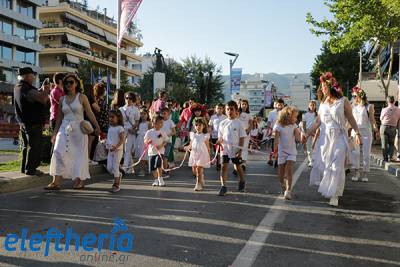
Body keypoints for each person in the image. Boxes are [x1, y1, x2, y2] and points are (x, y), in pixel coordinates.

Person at [305, 72, 362, 206]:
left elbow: (351, 119)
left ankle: (335, 194)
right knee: (327, 166)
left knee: (337, 167)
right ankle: (330, 188)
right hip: (325, 139)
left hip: (339, 137)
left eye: (324, 86)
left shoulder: (343, 101)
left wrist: (357, 133)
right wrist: (307, 133)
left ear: (330, 87)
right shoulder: (323, 103)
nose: (322, 89)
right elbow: (318, 121)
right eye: (321, 86)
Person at [46, 74, 100, 190]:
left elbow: (90, 113)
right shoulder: (62, 99)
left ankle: (79, 181)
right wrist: (55, 133)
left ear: (76, 83)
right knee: (58, 152)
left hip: (79, 129)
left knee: (79, 155)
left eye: (71, 82)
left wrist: (97, 126)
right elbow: (59, 117)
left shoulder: (82, 97)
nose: (69, 85)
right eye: (66, 83)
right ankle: (56, 182)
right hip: (64, 128)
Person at [14, 67, 50, 176]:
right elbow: (42, 99)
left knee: (27, 146)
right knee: (35, 146)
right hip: (33, 123)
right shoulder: (26, 88)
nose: (34, 77)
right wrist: (46, 90)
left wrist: (40, 90)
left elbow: (32, 96)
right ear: (27, 76)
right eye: (32, 75)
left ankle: (24, 168)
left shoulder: (18, 87)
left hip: (24, 122)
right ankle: (31, 169)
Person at [217, 101, 247, 196]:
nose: (229, 111)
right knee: (223, 167)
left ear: (236, 110)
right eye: (227, 109)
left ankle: (242, 181)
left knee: (238, 167)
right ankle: (223, 186)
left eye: (232, 109)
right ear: (225, 110)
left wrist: (240, 150)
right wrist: (219, 141)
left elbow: (242, 137)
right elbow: (220, 136)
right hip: (225, 149)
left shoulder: (239, 123)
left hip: (236, 149)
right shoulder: (222, 123)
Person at [350, 87, 379, 182]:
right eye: (353, 96)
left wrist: (376, 130)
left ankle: (365, 173)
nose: (353, 97)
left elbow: (372, 120)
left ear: (360, 95)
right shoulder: (352, 106)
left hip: (366, 132)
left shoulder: (369, 106)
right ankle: (356, 171)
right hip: (355, 131)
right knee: (356, 153)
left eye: (355, 95)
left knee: (366, 154)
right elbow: (350, 121)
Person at [273, 106, 302, 200]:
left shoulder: (294, 126)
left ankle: (288, 191)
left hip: (292, 152)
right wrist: (275, 151)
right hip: (282, 152)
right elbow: (276, 140)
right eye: (295, 116)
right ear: (288, 116)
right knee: (280, 174)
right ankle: (283, 185)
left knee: (289, 169)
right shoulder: (278, 126)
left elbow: (298, 138)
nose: (296, 119)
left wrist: (302, 136)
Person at [185, 117, 210, 191]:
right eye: (196, 125)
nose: (198, 127)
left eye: (200, 125)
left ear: (203, 126)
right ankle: (201, 177)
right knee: (194, 169)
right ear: (194, 126)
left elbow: (208, 146)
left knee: (199, 168)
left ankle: (198, 184)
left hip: (202, 154)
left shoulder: (205, 135)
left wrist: (209, 156)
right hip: (194, 154)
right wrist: (187, 147)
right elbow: (191, 144)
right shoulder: (193, 135)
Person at [144, 115, 168, 187]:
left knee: (158, 164)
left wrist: (161, 145)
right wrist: (148, 141)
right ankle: (156, 180)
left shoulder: (162, 132)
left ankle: (160, 179)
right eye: (157, 123)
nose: (160, 124)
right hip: (151, 152)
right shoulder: (149, 132)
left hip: (160, 152)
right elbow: (145, 140)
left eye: (161, 123)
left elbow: (166, 140)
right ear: (153, 123)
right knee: (152, 167)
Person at [120, 92, 140, 174]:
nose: (128, 100)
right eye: (127, 98)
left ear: (133, 100)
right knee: (124, 150)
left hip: (131, 131)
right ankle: (131, 168)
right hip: (122, 131)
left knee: (127, 149)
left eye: (130, 98)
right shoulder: (121, 109)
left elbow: (137, 120)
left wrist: (134, 128)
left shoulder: (135, 109)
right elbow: (119, 121)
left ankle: (124, 167)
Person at [106, 110, 125, 193]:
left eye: (113, 117)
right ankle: (119, 174)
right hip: (110, 150)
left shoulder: (120, 128)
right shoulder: (110, 128)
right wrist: (107, 145)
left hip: (117, 150)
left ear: (118, 118)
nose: (110, 119)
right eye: (109, 117)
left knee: (115, 167)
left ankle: (116, 185)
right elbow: (109, 139)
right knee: (109, 168)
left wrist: (116, 146)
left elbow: (122, 139)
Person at [379, 96, 400, 162]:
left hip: (384, 127)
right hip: (393, 128)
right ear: (394, 101)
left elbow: (380, 118)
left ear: (387, 102)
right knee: (391, 143)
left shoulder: (384, 109)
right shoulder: (398, 110)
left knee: (384, 143)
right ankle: (390, 157)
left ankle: (385, 158)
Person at [208, 103, 226, 170]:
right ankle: (218, 162)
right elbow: (210, 126)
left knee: (221, 150)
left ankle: (220, 163)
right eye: (218, 108)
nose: (219, 110)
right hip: (214, 136)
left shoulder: (225, 117)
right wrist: (209, 134)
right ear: (215, 109)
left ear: (223, 109)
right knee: (216, 150)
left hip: (222, 137)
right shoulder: (213, 117)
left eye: (220, 108)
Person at [267, 99, 285, 166]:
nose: (280, 106)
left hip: (283, 133)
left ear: (283, 105)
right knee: (274, 147)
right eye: (278, 104)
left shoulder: (285, 113)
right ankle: (275, 159)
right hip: (274, 132)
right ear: (276, 105)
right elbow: (269, 122)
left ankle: (277, 160)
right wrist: (268, 129)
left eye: (281, 104)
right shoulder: (271, 113)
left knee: (281, 147)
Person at [135, 108, 152, 176]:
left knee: (145, 156)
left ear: (147, 115)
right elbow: (137, 131)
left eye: (144, 114)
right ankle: (143, 170)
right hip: (139, 140)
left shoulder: (149, 123)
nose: (142, 115)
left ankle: (146, 169)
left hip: (146, 141)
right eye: (141, 114)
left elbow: (150, 132)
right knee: (141, 156)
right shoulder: (139, 123)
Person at [160, 107, 176, 177]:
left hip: (168, 142)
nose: (163, 115)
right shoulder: (160, 121)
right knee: (161, 156)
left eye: (165, 114)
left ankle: (166, 171)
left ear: (168, 114)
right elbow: (158, 131)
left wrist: (166, 135)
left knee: (165, 157)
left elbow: (174, 132)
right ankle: (166, 167)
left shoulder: (170, 122)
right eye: (162, 114)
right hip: (160, 142)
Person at [301, 100, 318, 167]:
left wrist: (315, 132)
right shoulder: (305, 115)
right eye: (311, 105)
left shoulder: (318, 114)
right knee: (309, 148)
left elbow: (319, 124)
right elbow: (304, 124)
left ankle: (315, 160)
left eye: (313, 105)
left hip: (315, 132)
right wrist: (305, 133)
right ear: (309, 106)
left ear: (315, 106)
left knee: (315, 147)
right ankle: (311, 161)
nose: (312, 106)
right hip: (308, 132)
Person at [238, 99, 253, 170]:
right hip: (237, 134)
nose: (244, 105)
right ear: (240, 105)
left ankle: (244, 162)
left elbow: (251, 124)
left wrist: (247, 131)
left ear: (247, 106)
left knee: (245, 147)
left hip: (246, 133)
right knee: (238, 147)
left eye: (245, 104)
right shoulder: (237, 113)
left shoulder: (249, 115)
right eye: (242, 104)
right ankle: (238, 161)